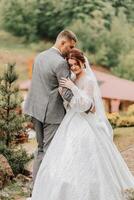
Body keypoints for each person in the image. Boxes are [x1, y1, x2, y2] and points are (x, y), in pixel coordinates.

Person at [31, 49, 134, 200]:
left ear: (82, 62)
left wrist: (72, 88)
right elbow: (71, 104)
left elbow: (87, 105)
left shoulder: (89, 80)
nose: (73, 67)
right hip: (71, 120)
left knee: (88, 154)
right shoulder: (72, 78)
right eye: (70, 65)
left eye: (75, 64)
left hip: (84, 123)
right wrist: (64, 93)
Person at [24, 30, 77, 187]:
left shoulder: (40, 56)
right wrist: (83, 103)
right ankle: (45, 190)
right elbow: (66, 92)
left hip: (35, 109)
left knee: (40, 149)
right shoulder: (60, 63)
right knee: (50, 152)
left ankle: (36, 187)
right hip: (52, 114)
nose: (71, 50)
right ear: (62, 43)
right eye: (70, 46)